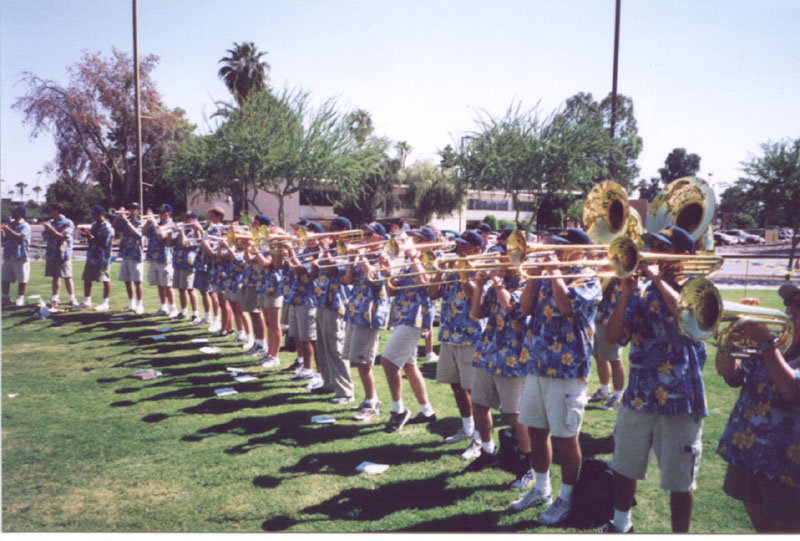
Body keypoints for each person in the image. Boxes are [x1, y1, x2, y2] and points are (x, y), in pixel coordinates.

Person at [599, 225, 707, 533]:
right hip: (639, 394)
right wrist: (625, 295)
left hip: (680, 396)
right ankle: (621, 526)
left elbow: (690, 320)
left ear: (683, 255)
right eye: (652, 245)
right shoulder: (641, 290)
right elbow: (613, 336)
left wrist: (659, 279)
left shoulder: (697, 286)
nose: (651, 251)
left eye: (662, 247)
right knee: (624, 465)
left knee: (680, 478)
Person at [510, 228, 601, 525]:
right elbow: (524, 309)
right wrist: (535, 277)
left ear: (577, 251)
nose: (552, 250)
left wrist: (551, 270)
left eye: (560, 247)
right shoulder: (549, 275)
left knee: (566, 436)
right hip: (537, 363)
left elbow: (567, 306)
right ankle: (540, 488)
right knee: (536, 430)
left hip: (568, 369)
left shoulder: (588, 277)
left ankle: (568, 496)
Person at [714, 283, 800, 532]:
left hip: (786, 460)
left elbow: (792, 390)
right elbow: (729, 373)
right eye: (789, 303)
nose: (790, 309)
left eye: (798, 304)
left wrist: (766, 343)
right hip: (747, 450)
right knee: (761, 526)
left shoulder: (771, 345)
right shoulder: (778, 343)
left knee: (789, 527)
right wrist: (732, 335)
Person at [464, 244, 535, 490]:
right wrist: (480, 286)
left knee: (516, 415)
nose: (499, 260)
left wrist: (496, 283)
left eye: (505, 255)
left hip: (514, 358)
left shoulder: (526, 281)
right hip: (489, 352)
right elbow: (475, 313)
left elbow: (511, 309)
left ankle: (528, 466)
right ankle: (487, 451)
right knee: (479, 404)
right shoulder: (498, 282)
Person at [428, 229, 485, 459]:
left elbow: (476, 298)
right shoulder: (450, 267)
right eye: (458, 245)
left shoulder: (484, 269)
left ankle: (480, 439)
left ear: (476, 250)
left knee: (474, 391)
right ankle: (467, 427)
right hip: (450, 333)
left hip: (471, 336)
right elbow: (432, 294)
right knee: (456, 385)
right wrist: (439, 272)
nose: (459, 249)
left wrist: (464, 273)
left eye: (464, 246)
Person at [379, 226, 438, 433]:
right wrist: (387, 271)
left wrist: (414, 257)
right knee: (409, 365)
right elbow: (390, 290)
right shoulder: (407, 263)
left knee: (388, 361)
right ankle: (427, 411)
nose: (411, 242)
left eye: (417, 239)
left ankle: (398, 410)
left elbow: (426, 283)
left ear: (428, 243)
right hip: (403, 316)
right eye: (412, 238)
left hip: (415, 317)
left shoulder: (430, 260)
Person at [342, 222, 391, 420]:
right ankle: (369, 398)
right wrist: (350, 259)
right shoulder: (365, 256)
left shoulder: (385, 257)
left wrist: (362, 259)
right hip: (356, 310)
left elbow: (377, 280)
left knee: (364, 361)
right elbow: (348, 280)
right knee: (356, 359)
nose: (364, 238)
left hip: (370, 314)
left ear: (379, 238)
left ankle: (372, 402)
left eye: (368, 234)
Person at [282, 220, 323, 382]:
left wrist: (290, 251)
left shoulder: (316, 252)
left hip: (308, 298)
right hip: (295, 295)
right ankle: (305, 367)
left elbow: (300, 270)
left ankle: (316, 371)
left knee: (309, 337)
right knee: (298, 335)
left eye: (305, 232)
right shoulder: (303, 249)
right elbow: (288, 268)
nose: (300, 234)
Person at [588, 277, 626, 410]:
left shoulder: (619, 272)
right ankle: (604, 390)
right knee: (598, 356)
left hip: (611, 318)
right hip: (598, 316)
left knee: (614, 359)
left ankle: (618, 395)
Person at [143, 204, 177, 317]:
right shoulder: (156, 224)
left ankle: (173, 308)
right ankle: (163, 307)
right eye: (159, 211)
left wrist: (153, 222)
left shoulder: (171, 224)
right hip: (153, 257)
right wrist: (147, 223)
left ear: (169, 213)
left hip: (165, 258)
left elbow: (162, 236)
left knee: (167, 285)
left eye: (163, 212)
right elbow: (143, 233)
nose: (160, 214)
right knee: (159, 284)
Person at [41, 202, 78, 307]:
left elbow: (63, 236)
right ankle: (55, 298)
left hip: (64, 253)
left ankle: (72, 298)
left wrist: (51, 229)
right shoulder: (51, 222)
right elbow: (45, 237)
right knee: (55, 276)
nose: (49, 212)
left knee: (67, 276)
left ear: (57, 211)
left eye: (51, 210)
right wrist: (49, 231)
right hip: (52, 253)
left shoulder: (68, 222)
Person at [78, 205, 114, 310]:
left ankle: (105, 302)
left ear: (101, 214)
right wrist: (86, 235)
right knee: (87, 278)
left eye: (94, 213)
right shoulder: (94, 225)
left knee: (105, 278)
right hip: (92, 256)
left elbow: (104, 244)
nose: (92, 215)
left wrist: (91, 237)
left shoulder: (107, 227)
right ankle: (87, 301)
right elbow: (92, 239)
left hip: (102, 257)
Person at [169, 211, 203, 321]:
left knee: (190, 289)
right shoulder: (182, 231)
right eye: (185, 217)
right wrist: (170, 231)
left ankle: (195, 314)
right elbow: (169, 243)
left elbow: (186, 244)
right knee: (181, 289)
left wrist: (181, 232)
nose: (185, 220)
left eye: (189, 218)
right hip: (178, 262)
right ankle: (183, 312)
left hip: (188, 264)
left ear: (194, 220)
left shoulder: (195, 232)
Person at [113, 204, 145, 314]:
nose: (131, 210)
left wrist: (126, 221)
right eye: (130, 208)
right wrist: (119, 216)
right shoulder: (124, 221)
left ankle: (140, 305)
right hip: (125, 253)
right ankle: (132, 303)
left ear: (139, 211)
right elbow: (114, 226)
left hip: (136, 254)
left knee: (137, 281)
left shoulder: (141, 222)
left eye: (134, 209)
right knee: (127, 280)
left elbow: (138, 234)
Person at [1, 205, 32, 306]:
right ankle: (5, 297)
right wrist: (2, 233)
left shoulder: (25, 226)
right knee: (5, 278)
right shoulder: (10, 224)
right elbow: (4, 240)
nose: (12, 213)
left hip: (20, 256)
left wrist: (8, 230)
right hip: (8, 255)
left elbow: (21, 237)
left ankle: (20, 298)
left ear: (20, 214)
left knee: (22, 278)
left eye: (14, 212)